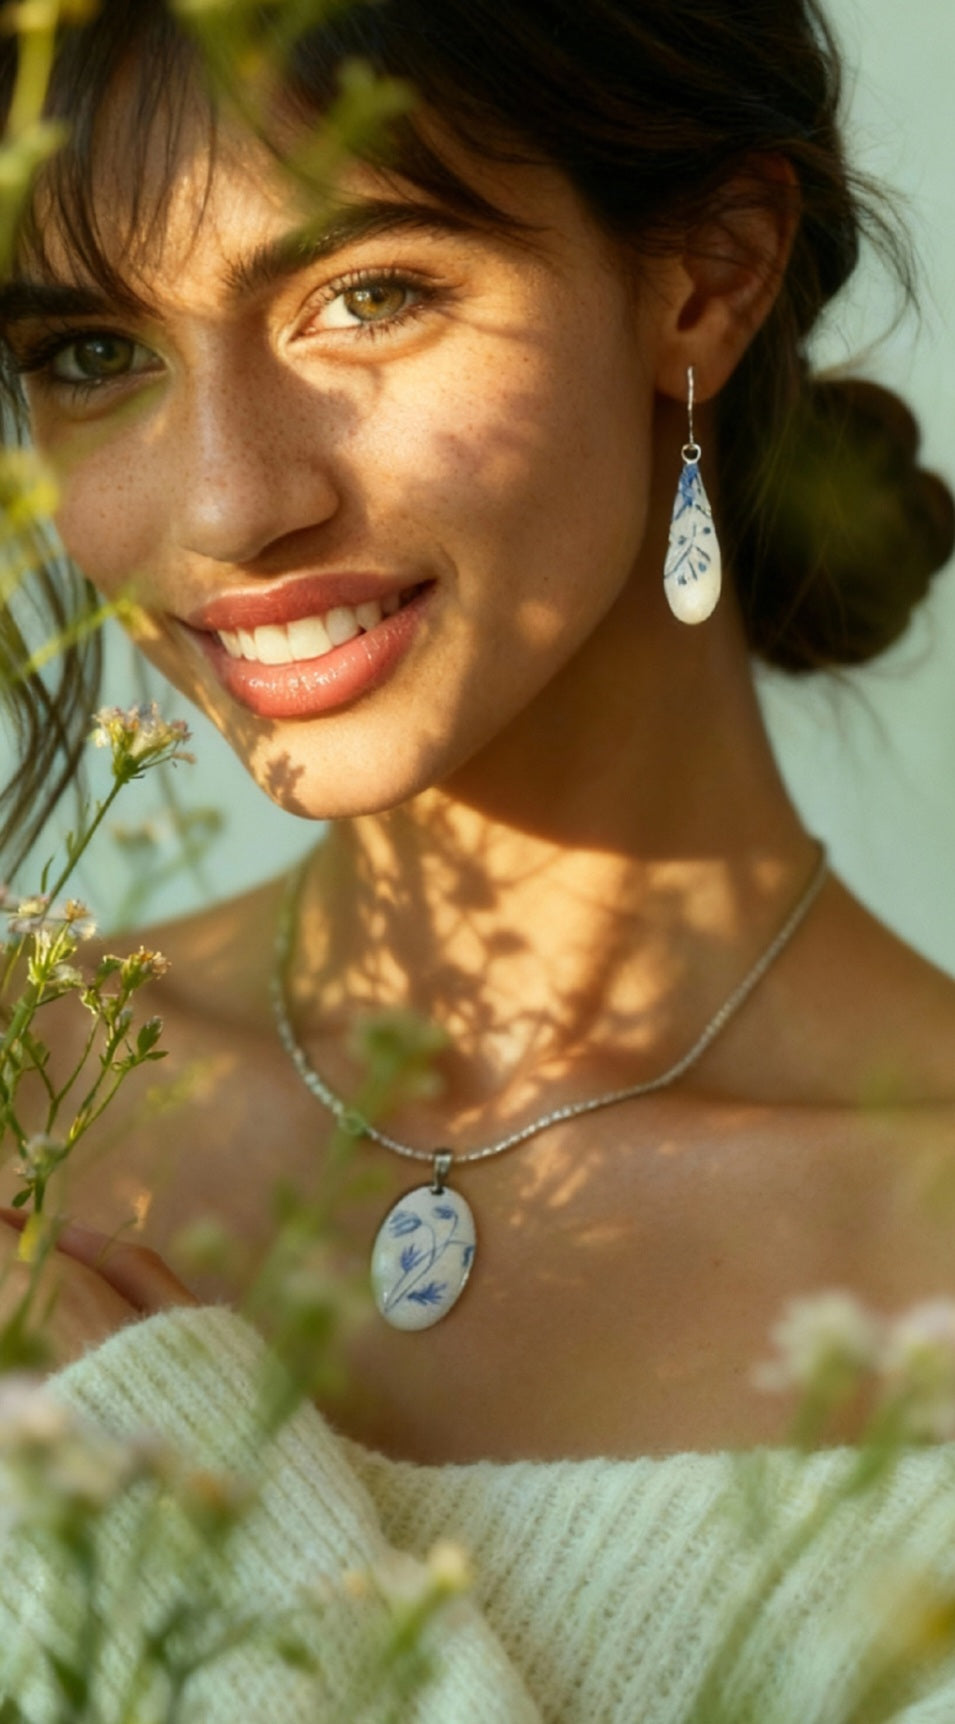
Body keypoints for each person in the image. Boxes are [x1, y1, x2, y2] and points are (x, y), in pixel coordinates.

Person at [1, 0, 955, 1717]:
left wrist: (167, 1500)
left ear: (706, 277)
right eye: (91, 352)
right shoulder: (21, 1111)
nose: (228, 503)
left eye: (365, 296)